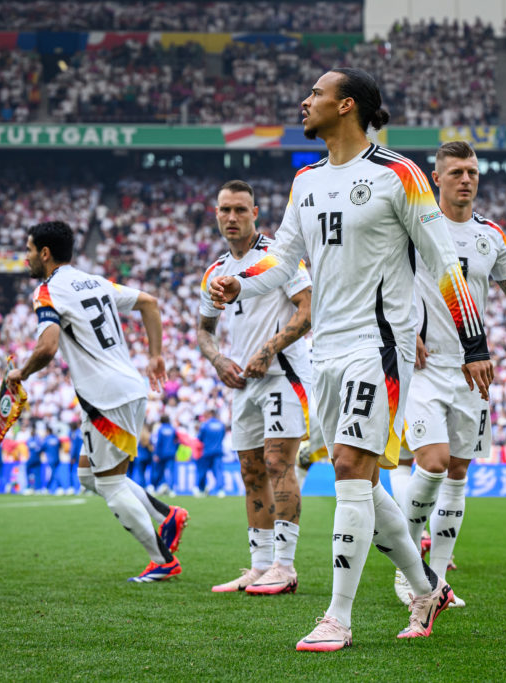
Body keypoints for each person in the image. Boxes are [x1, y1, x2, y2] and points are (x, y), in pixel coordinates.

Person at [210, 68, 493, 650]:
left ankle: (337, 617)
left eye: (314, 93)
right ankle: (425, 586)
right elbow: (283, 260)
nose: (304, 100)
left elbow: (446, 263)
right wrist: (240, 282)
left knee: (347, 468)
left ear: (345, 106)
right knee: (366, 482)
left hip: (380, 346)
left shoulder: (400, 175)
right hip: (327, 351)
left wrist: (474, 344)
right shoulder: (305, 182)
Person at [395, 141, 506, 606]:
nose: (466, 179)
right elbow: (383, 282)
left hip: (472, 373)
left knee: (459, 472)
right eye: (456, 171)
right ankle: (409, 571)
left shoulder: (491, 236)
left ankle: (435, 583)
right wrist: (404, 329)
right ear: (436, 178)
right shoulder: (414, 228)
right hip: (424, 366)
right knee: (434, 462)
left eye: (473, 172)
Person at [6, 220, 188, 582]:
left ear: (45, 253)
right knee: (89, 475)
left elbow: (47, 347)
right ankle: (167, 515)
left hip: (107, 397)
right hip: (122, 388)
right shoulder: (94, 281)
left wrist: (19, 374)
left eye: (28, 250)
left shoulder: (47, 291)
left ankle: (162, 560)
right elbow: (149, 303)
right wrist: (155, 354)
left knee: (108, 484)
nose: (26, 258)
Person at [198, 179, 313, 595]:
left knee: (278, 462)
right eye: (225, 210)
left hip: (283, 374)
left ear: (255, 213)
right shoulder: (216, 271)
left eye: (240, 210)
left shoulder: (278, 258)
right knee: (251, 472)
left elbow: (308, 308)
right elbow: (204, 329)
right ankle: (259, 565)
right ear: (216, 214)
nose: (232, 217)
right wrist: (218, 359)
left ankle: (285, 565)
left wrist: (269, 349)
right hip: (241, 382)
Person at [195, 411, 227, 497]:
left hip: (206, 452)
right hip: (218, 451)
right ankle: (220, 490)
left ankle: (202, 490)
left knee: (202, 471)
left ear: (209, 415)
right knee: (218, 471)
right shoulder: (221, 425)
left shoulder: (205, 425)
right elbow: (223, 436)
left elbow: (199, 438)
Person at [151, 415, 178, 496]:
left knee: (159, 471)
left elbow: (158, 442)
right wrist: (175, 451)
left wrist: (156, 454)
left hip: (161, 454)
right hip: (171, 454)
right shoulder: (173, 429)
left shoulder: (160, 429)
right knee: (171, 471)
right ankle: (172, 490)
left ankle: (157, 488)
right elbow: (177, 441)